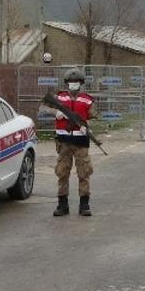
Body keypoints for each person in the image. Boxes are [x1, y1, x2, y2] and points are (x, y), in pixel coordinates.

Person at [52, 69, 94, 217]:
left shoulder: (88, 100)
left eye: (76, 82)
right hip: (64, 142)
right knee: (62, 172)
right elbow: (43, 108)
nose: (74, 84)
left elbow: (94, 116)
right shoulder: (59, 98)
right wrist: (56, 112)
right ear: (67, 83)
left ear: (81, 83)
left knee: (84, 172)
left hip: (81, 142)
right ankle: (62, 204)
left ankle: (84, 204)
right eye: (71, 82)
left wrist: (86, 126)